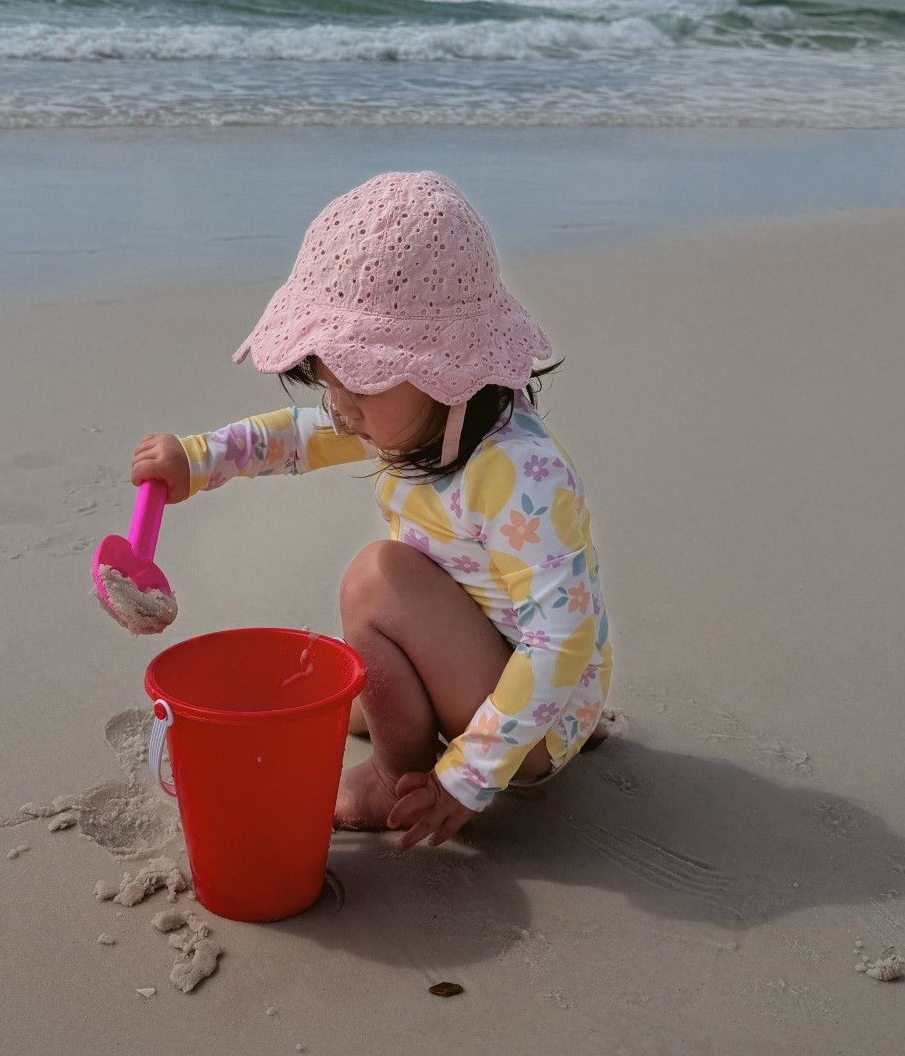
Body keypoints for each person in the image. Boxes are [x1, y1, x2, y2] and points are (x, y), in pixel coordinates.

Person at [131, 171, 612, 852]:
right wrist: (200, 459)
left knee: (376, 579)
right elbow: (298, 436)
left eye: (358, 381)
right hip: (548, 696)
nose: (342, 409)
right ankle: (417, 713)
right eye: (330, 384)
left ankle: (397, 773)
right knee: (367, 668)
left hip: (533, 726)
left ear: (448, 369)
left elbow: (560, 639)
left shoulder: (519, 474)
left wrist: (466, 779)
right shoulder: (424, 418)